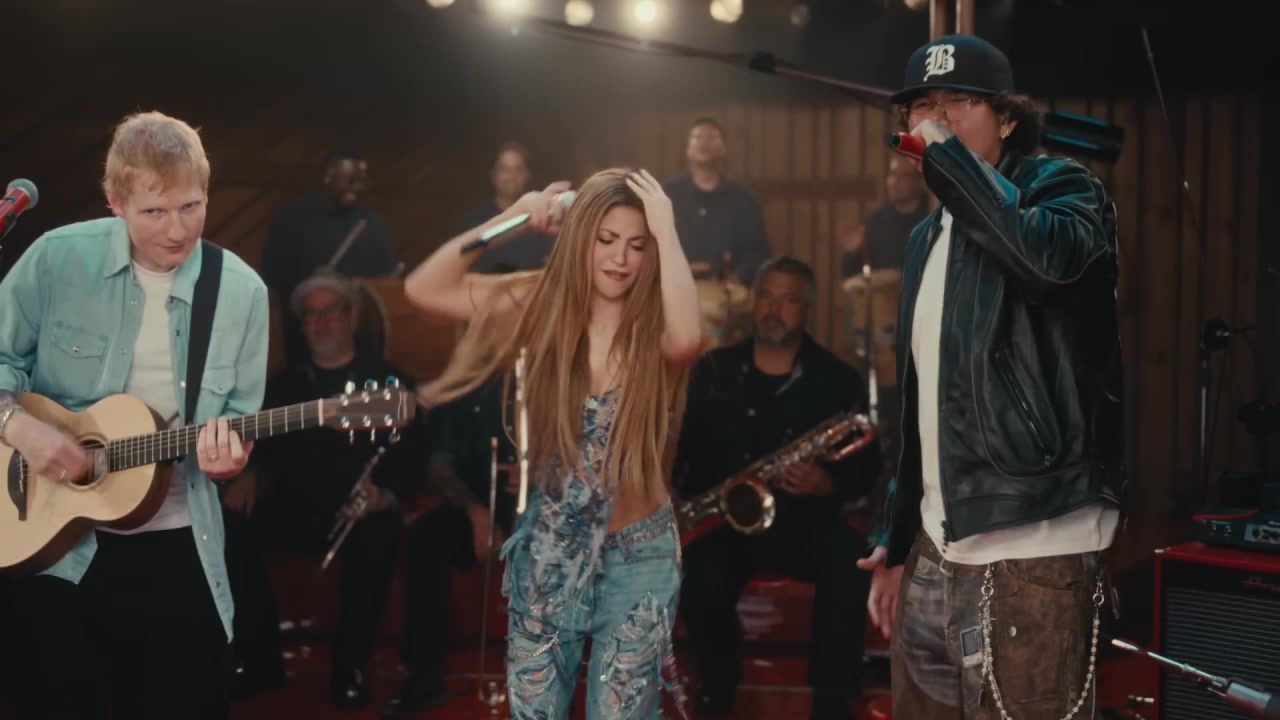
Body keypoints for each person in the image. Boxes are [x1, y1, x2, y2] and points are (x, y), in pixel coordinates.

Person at [856, 34, 1124, 720]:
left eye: (959, 102)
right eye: (923, 106)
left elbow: (1044, 265)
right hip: (936, 551)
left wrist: (948, 159)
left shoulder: (1066, 188)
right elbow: (923, 404)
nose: (936, 119)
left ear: (1006, 118)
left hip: (1036, 550)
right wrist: (897, 538)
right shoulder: (925, 238)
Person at [405, 167, 703, 719]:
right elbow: (423, 289)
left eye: (637, 245)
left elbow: (687, 341)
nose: (620, 258)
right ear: (580, 237)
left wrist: (667, 226)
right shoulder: (538, 301)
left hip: (640, 552)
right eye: (606, 239)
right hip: (551, 546)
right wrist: (512, 220)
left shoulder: (656, 316)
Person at [0, 111, 270, 719]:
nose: (178, 229)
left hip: (178, 545)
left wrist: (230, 460)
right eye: (154, 212)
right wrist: (19, 427)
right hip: (56, 547)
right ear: (115, 202)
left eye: (192, 206)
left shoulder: (241, 292)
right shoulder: (56, 260)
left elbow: (239, 420)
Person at [674, 256, 881, 720]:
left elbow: (867, 471)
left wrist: (826, 484)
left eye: (788, 300)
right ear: (753, 301)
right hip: (724, 524)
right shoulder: (713, 370)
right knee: (700, 580)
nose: (774, 309)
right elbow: (682, 452)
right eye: (766, 296)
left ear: (806, 308)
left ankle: (831, 700)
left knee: (850, 561)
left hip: (802, 523)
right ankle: (717, 688)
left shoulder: (837, 379)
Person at [221, 271, 426, 709]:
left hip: (360, 511)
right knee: (228, 526)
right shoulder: (282, 385)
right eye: (311, 315)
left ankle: (348, 670)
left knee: (378, 537)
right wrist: (250, 472)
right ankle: (260, 664)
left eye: (331, 311)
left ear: (351, 317)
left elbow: (414, 459)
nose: (321, 322)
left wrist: (384, 496)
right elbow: (260, 446)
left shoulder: (388, 382)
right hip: (295, 506)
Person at [382, 374, 518, 716]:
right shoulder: (461, 388)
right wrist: (474, 511)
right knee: (426, 536)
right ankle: (425, 681)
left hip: (550, 508)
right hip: (476, 505)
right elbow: (440, 469)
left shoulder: (559, 380)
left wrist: (541, 476)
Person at [261, 148, 398, 367]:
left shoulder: (372, 223)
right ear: (328, 177)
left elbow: (385, 275)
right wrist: (313, 284)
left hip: (360, 338)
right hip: (308, 337)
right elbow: (272, 273)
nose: (357, 187)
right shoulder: (293, 220)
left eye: (362, 181)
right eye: (350, 180)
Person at [664, 118, 771, 283]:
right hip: (674, 285)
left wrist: (736, 278)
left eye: (712, 137)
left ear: (724, 150)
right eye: (697, 137)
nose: (704, 142)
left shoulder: (743, 199)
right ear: (688, 149)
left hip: (727, 289)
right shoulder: (669, 194)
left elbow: (758, 252)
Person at [457, 142, 555, 273]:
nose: (512, 177)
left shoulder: (541, 220)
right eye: (505, 170)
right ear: (493, 175)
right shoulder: (474, 222)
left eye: (518, 170)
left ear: (527, 175)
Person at [839, 156, 931, 278]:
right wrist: (854, 251)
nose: (894, 182)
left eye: (903, 176)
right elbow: (851, 273)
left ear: (920, 181)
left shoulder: (932, 220)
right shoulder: (875, 222)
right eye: (892, 175)